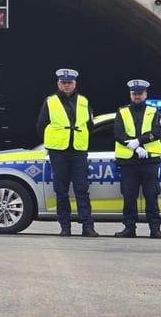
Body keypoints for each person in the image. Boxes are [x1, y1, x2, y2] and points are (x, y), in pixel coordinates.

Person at [36, 68, 99, 237]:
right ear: (58, 84)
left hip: (78, 151)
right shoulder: (50, 102)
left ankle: (87, 226)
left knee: (82, 189)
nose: (66, 86)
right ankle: (65, 226)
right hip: (59, 152)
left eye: (69, 83)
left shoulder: (84, 101)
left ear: (74, 84)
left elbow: (90, 125)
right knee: (61, 190)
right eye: (63, 83)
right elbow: (41, 126)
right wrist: (55, 141)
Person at [112, 79, 161, 238]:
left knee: (151, 195)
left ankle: (155, 229)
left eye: (140, 93)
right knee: (129, 196)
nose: (137, 96)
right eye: (134, 93)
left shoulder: (153, 111)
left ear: (145, 95)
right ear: (130, 94)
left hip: (149, 160)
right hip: (128, 162)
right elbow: (118, 134)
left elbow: (157, 132)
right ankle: (129, 227)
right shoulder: (122, 112)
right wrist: (136, 147)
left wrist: (139, 141)